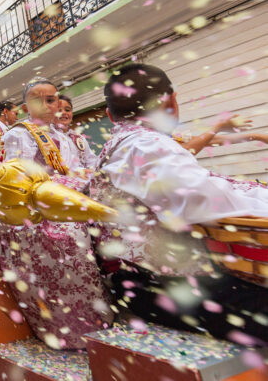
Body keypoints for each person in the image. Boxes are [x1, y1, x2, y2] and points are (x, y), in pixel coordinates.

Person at [91, 63, 268, 345]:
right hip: (169, 287)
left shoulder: (129, 142)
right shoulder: (144, 145)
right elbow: (199, 201)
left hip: (159, 281)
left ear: (111, 116)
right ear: (171, 101)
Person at [0, 79, 113, 349]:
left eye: (52, 99)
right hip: (37, 216)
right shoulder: (19, 134)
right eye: (41, 100)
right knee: (67, 262)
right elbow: (19, 178)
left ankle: (95, 327)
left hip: (68, 209)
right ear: (26, 107)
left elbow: (75, 171)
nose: (50, 105)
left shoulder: (63, 136)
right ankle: (65, 333)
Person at [56, 95, 99, 170]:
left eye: (67, 110)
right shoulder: (48, 137)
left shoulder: (78, 138)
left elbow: (91, 161)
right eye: (59, 110)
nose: (63, 112)